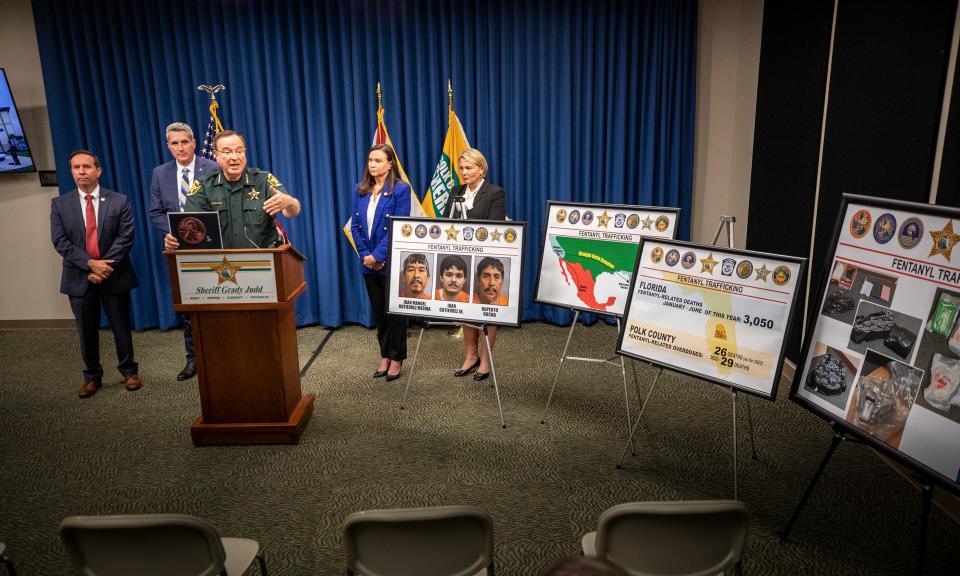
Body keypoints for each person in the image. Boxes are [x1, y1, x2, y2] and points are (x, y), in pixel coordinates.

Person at [51, 150, 141, 398]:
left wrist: (103, 267)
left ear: (98, 170)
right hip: (79, 277)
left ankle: (129, 372)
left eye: (86, 167)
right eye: (76, 167)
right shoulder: (60, 204)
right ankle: (92, 377)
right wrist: (91, 264)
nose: (81, 172)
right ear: (71, 171)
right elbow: (60, 241)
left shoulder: (119, 200)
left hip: (114, 274)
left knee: (121, 326)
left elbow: (126, 237)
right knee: (86, 329)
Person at [148, 122, 218, 381]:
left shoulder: (211, 167)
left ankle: (218, 356)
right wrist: (174, 233)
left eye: (184, 142)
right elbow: (155, 212)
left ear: (194, 143)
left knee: (216, 303)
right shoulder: (160, 173)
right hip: (178, 249)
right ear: (168, 146)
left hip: (211, 247)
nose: (180, 147)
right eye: (174, 143)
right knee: (188, 308)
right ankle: (193, 359)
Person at [163, 130, 300, 252]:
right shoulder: (203, 186)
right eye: (227, 152)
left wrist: (291, 202)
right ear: (216, 154)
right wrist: (175, 240)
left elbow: (292, 212)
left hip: (265, 260)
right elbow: (190, 226)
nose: (235, 157)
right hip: (223, 265)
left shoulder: (263, 180)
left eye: (239, 151)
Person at [444, 149, 508, 381]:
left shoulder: (495, 193)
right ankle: (470, 357)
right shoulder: (455, 191)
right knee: (465, 309)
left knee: (487, 311)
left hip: (486, 262)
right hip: (460, 261)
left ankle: (486, 361)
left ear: (481, 168)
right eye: (461, 168)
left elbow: (494, 228)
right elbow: (445, 224)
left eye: (469, 168)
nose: (464, 172)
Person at [351, 144, 411, 381]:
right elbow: (355, 226)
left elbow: (400, 226)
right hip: (367, 262)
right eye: (370, 160)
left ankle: (396, 358)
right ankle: (384, 354)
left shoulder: (400, 190)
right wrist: (367, 256)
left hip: (390, 261)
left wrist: (378, 256)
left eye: (377, 160)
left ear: (390, 164)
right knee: (379, 312)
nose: (372, 164)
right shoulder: (361, 189)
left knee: (394, 312)